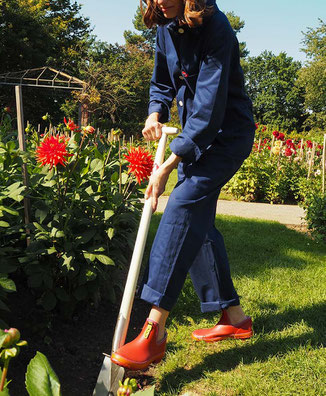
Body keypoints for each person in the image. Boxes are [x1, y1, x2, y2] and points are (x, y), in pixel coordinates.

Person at [111, 0, 255, 371]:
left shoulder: (217, 28)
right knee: (200, 223)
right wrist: (154, 110)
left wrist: (167, 167)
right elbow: (162, 80)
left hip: (226, 136)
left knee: (183, 205)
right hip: (197, 135)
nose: (160, 0)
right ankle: (235, 318)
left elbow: (208, 111)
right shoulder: (165, 24)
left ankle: (154, 330)